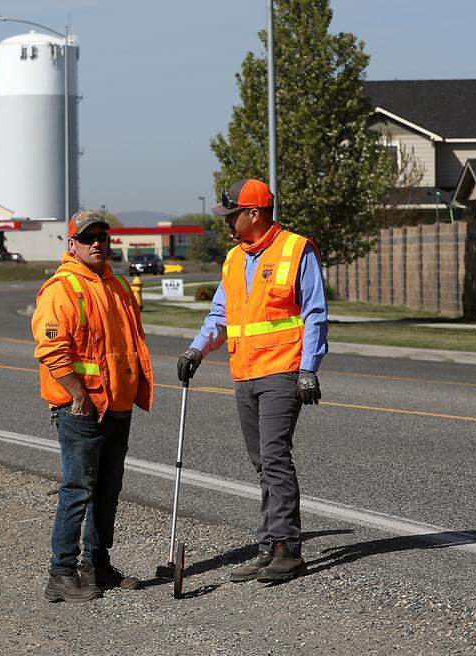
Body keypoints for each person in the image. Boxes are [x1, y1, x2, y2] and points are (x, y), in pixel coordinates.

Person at [177, 179, 328, 582]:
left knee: (275, 456)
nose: (227, 222)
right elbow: (220, 316)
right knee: (262, 461)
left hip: (283, 371)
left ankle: (287, 549)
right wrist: (196, 350)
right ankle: (267, 546)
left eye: (232, 214)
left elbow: (315, 312)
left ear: (254, 214)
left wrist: (309, 368)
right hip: (244, 373)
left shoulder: (297, 249)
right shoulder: (233, 259)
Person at [31, 210, 155, 602]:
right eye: (88, 238)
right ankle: (61, 573)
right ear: (72, 245)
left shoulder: (116, 286)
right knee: (78, 489)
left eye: (103, 237)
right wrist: (78, 393)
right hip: (81, 409)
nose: (97, 243)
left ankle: (96, 565)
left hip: (117, 406)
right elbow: (51, 348)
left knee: (107, 490)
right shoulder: (61, 289)